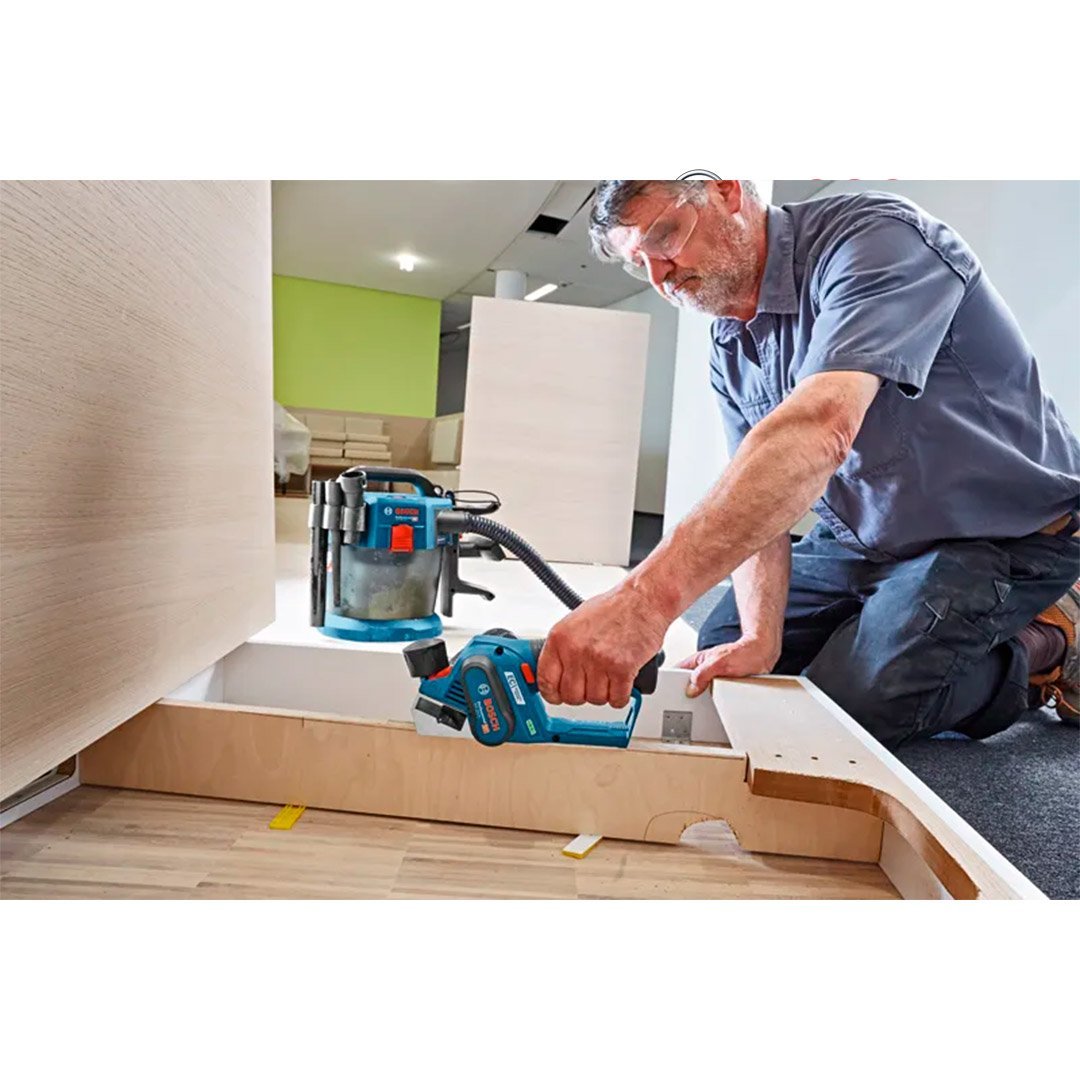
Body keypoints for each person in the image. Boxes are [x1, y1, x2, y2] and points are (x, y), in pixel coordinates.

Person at [534, 179, 1080, 747]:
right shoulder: (730, 343)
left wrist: (644, 602)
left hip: (1000, 534)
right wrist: (759, 638)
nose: (659, 276)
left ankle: (1047, 643)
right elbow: (755, 486)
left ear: (726, 191)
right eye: (638, 264)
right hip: (865, 539)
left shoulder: (877, 241)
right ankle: (912, 630)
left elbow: (822, 427)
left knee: (848, 708)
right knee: (727, 649)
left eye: (664, 237)